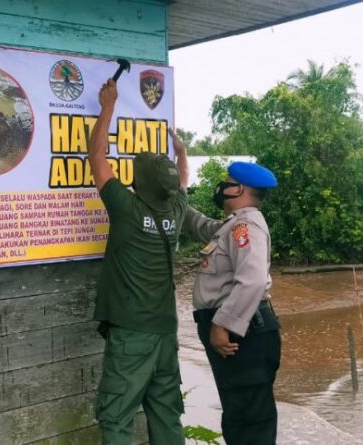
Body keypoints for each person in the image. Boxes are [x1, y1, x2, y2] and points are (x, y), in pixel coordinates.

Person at [88, 79, 188, 445]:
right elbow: (183, 180)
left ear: (138, 182)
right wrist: (181, 154)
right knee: (166, 413)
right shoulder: (176, 211)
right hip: (165, 333)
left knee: (116, 417)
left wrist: (107, 108)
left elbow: (96, 158)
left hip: (132, 334)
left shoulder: (127, 210)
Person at [175, 136, 280, 444]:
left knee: (249, 420)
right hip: (243, 331)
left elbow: (253, 280)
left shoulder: (248, 227)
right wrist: (177, 185)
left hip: (241, 333)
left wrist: (222, 325)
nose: (222, 187)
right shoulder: (232, 225)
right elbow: (197, 223)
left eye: (228, 183)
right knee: (238, 414)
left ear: (240, 190)